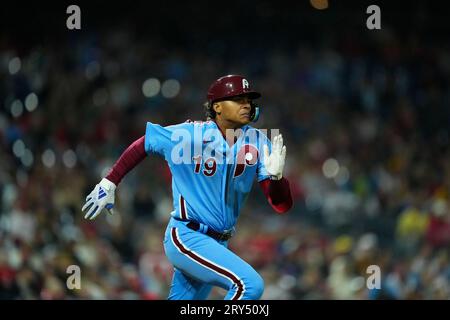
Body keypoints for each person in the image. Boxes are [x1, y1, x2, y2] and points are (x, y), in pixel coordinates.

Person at [82, 75, 293, 300]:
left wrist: (277, 178)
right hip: (187, 235)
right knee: (249, 285)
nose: (246, 105)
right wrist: (110, 180)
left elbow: (281, 206)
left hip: (218, 242)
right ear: (217, 107)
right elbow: (145, 142)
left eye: (248, 100)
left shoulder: (259, 142)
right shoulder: (189, 135)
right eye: (238, 99)